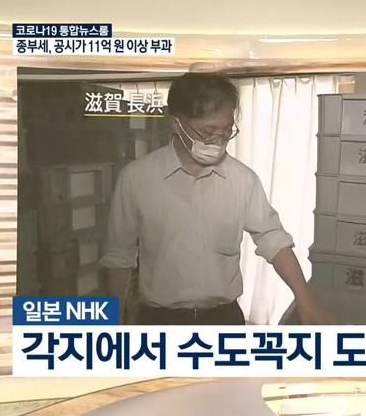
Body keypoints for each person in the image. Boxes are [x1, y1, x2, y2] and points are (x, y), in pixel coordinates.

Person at [100, 72, 333, 325]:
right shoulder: (137, 178)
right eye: (208, 131)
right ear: (177, 124)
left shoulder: (242, 180)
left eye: (226, 131)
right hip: (159, 319)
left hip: (223, 318)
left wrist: (305, 299)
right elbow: (119, 256)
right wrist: (114, 319)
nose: (218, 141)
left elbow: (273, 239)